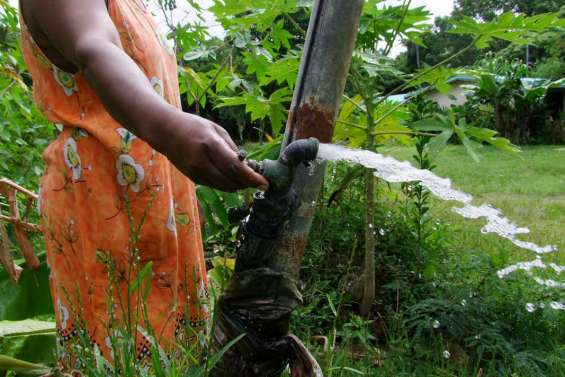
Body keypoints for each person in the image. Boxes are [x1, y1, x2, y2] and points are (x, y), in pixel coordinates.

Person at [18, 0, 268, 372]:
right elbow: (94, 47)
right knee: (124, 358)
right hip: (102, 207)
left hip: (153, 206)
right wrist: (172, 128)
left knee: (175, 356)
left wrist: (179, 195)